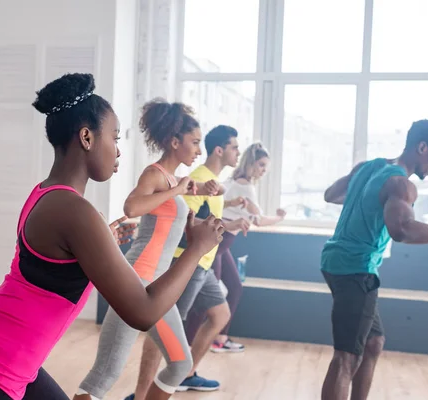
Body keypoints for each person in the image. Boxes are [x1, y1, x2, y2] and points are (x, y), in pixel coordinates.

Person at [0, 73, 224, 400]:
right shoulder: (76, 212)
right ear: (86, 137)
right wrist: (196, 249)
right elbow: (143, 312)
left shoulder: (46, 194)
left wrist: (100, 238)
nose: (118, 152)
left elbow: (52, 265)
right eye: (114, 138)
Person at [320, 119, 428, 400]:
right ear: (422, 147)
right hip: (355, 269)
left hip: (336, 261)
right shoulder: (400, 184)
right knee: (346, 357)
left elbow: (332, 195)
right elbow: (403, 230)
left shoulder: (369, 167)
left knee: (373, 342)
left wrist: (367, 199)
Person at [73, 98, 222, 400]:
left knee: (181, 363)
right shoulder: (154, 174)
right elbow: (132, 206)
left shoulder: (172, 181)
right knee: (105, 374)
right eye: (194, 143)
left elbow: (169, 214)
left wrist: (189, 198)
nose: (198, 150)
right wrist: (178, 189)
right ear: (174, 141)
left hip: (157, 288)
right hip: (136, 282)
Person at [126, 125, 250, 399]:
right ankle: (142, 392)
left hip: (202, 265)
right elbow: (186, 222)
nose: (238, 152)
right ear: (220, 150)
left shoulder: (211, 181)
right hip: (187, 263)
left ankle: (185, 374)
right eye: (234, 147)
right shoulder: (196, 178)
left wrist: (229, 224)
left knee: (221, 315)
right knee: (164, 329)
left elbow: (207, 222)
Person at [184, 142, 287, 353]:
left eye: (266, 166)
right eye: (261, 165)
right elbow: (257, 219)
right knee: (206, 302)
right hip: (217, 245)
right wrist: (279, 217)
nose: (263, 170)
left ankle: (219, 337)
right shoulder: (244, 185)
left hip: (222, 245)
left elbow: (228, 208)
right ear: (250, 163)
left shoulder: (233, 181)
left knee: (233, 288)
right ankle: (190, 344)